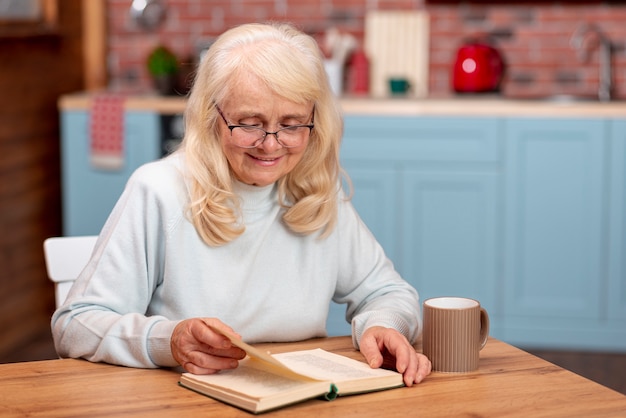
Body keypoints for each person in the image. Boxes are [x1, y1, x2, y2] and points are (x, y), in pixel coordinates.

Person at [51, 22, 431, 387]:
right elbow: (75, 325)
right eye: (249, 123)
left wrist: (383, 325)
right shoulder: (160, 190)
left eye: (292, 123)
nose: (270, 144)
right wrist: (167, 341)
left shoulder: (315, 191)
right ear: (210, 116)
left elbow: (388, 293)